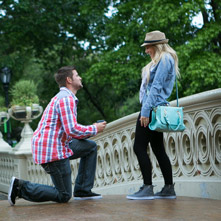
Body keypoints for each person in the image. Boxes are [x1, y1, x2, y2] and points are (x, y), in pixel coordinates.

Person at [8, 66, 107, 206]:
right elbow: (72, 129)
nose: (80, 77)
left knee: (90, 147)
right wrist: (94, 128)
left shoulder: (65, 97)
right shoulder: (66, 99)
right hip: (53, 150)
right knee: (64, 195)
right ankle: (21, 187)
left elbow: (68, 130)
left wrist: (89, 130)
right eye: (77, 75)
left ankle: (83, 190)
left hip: (58, 145)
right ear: (69, 80)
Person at [127, 31, 179, 200]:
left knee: (139, 147)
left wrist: (144, 111)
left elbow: (156, 88)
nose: (146, 50)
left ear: (156, 45)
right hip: (153, 108)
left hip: (152, 109)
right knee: (158, 149)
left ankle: (147, 187)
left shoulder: (165, 59)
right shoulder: (157, 62)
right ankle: (169, 188)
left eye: (148, 46)